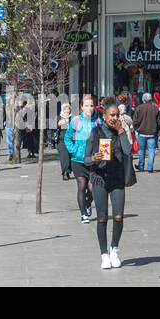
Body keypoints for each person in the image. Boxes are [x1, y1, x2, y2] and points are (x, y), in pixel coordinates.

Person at [86, 99, 136, 269]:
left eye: (117, 115)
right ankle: (104, 254)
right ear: (104, 116)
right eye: (112, 115)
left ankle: (114, 249)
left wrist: (122, 131)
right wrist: (93, 158)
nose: (115, 118)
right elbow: (85, 159)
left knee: (118, 216)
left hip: (117, 179)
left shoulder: (121, 131)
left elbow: (128, 151)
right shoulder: (95, 131)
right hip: (99, 178)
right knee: (101, 218)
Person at [64, 95, 99, 223]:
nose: (89, 108)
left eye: (91, 105)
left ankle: (88, 203)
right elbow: (67, 138)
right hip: (78, 160)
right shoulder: (76, 121)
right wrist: (74, 150)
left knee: (92, 188)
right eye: (86, 105)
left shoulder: (98, 121)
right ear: (81, 107)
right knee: (81, 186)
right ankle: (83, 214)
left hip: (93, 160)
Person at [131, 93, 160, 172]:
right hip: (152, 133)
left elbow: (135, 121)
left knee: (141, 150)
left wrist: (137, 128)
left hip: (141, 132)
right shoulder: (155, 108)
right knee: (151, 150)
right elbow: (159, 122)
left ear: (143, 100)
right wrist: (158, 130)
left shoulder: (139, 108)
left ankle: (141, 166)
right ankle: (150, 168)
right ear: (150, 100)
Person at [57, 102, 73, 180]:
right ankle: (65, 172)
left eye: (68, 108)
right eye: (65, 109)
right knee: (64, 157)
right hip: (61, 140)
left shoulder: (72, 118)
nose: (67, 110)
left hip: (71, 140)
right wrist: (58, 124)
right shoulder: (59, 117)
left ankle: (68, 170)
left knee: (70, 157)